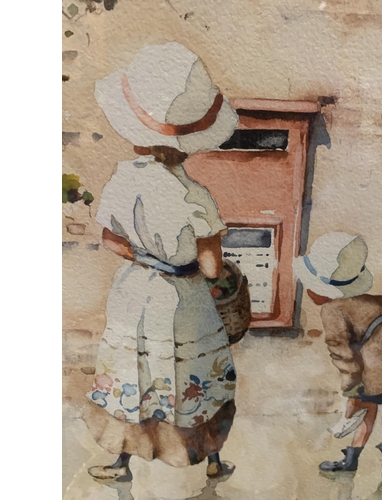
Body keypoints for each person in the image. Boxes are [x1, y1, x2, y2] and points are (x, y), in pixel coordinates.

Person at [82, 42, 240, 481]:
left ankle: (122, 461)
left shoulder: (120, 179)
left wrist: (149, 260)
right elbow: (210, 267)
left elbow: (112, 241)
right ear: (190, 145)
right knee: (193, 375)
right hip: (182, 301)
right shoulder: (197, 197)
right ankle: (212, 461)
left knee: (135, 372)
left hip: (136, 292)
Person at [294, 232, 382, 472]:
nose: (307, 291)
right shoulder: (378, 299)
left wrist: (352, 388)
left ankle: (350, 461)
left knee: (364, 409)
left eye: (309, 285)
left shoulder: (332, 309)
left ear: (323, 288)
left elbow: (344, 353)